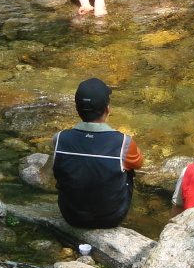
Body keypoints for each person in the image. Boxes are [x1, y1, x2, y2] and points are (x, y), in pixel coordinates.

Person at [50, 78, 143, 229]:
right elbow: (138, 163)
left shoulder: (59, 138)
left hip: (70, 215)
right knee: (127, 168)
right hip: (111, 218)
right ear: (107, 109)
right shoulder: (124, 142)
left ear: (76, 108)